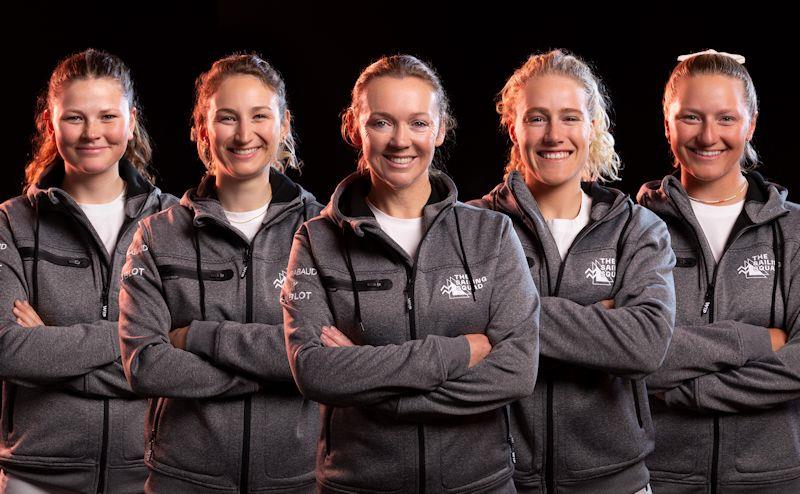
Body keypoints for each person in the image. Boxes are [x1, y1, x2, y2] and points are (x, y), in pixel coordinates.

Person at [281, 54, 539, 493]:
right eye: (382, 122)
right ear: (354, 127)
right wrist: (459, 353)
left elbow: (517, 370)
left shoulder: (490, 234)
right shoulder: (316, 241)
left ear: (440, 129)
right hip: (358, 485)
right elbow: (315, 370)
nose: (401, 141)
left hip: (479, 485)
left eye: (418, 123)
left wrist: (370, 389)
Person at [471, 49, 675, 493]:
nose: (554, 135)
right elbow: (443, 323)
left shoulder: (638, 229)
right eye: (537, 118)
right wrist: (598, 318)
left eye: (569, 117)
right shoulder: (472, 226)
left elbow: (644, 345)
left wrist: (502, 316)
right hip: (499, 479)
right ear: (514, 127)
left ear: (592, 126)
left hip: (615, 481)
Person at [117, 54, 322, 493]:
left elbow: (332, 355)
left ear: (283, 124)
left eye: (260, 116)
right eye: (227, 118)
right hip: (182, 479)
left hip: (299, 480)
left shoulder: (325, 232)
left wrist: (198, 339)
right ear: (201, 129)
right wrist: (282, 371)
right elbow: (146, 365)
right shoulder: (157, 236)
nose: (244, 134)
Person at [0, 48, 176, 493]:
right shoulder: (12, 222)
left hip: (152, 473)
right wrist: (142, 339)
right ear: (50, 123)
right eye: (75, 118)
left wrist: (50, 341)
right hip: (34, 477)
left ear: (131, 120)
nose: (92, 133)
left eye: (107, 116)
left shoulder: (176, 223)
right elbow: (8, 350)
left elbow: (187, 361)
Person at [639, 49, 800, 493]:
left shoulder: (796, 229)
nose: (708, 136)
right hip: (654, 478)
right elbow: (620, 356)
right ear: (667, 123)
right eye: (691, 117)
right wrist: (761, 341)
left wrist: (682, 392)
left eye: (726, 118)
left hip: (773, 480)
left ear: (751, 123)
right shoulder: (630, 229)